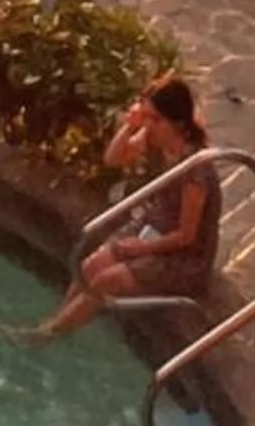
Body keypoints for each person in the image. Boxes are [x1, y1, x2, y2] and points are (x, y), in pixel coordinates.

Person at [16, 74, 219, 343]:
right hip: (153, 230)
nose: (149, 125)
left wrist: (140, 248)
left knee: (105, 281)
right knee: (90, 266)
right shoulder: (155, 139)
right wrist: (129, 126)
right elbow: (113, 159)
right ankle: (59, 322)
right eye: (146, 116)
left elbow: (186, 236)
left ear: (178, 124)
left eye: (155, 119)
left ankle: (47, 336)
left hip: (183, 256)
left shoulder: (196, 170)